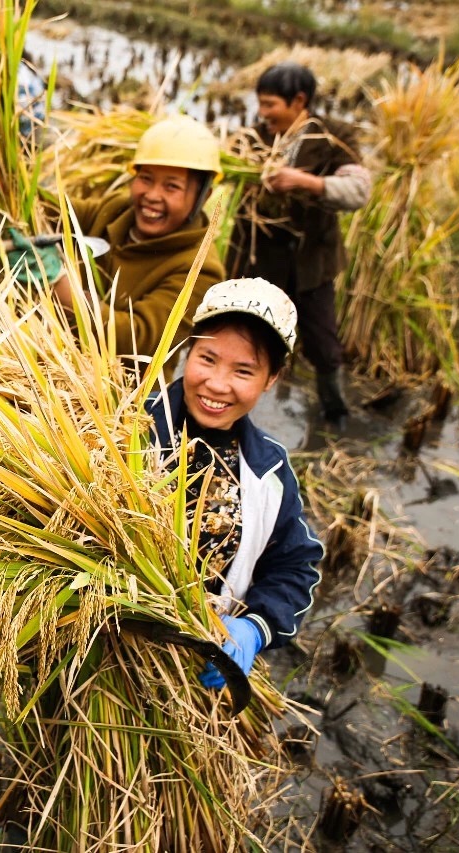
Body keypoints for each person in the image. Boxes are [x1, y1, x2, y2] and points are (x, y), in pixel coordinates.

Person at [146, 277, 323, 685]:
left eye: (243, 370)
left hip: (194, 670)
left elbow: (295, 567)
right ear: (188, 351)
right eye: (207, 359)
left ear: (272, 379)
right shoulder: (126, 430)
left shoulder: (269, 472)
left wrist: (255, 627)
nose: (218, 384)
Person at [226, 62, 372, 423]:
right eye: (260, 103)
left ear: (299, 101)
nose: (263, 113)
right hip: (257, 265)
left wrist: (306, 182)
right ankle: (241, 413)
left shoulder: (333, 138)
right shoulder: (253, 139)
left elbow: (358, 191)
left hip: (311, 267)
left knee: (324, 344)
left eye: (271, 104)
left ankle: (334, 414)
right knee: (248, 340)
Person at [31, 115, 227, 363]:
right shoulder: (117, 211)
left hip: (119, 390)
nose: (152, 195)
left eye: (171, 187)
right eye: (145, 179)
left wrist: (63, 288)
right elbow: (55, 210)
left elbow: (139, 339)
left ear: (203, 196)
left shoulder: (199, 269)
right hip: (52, 355)